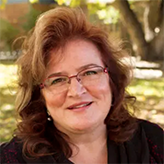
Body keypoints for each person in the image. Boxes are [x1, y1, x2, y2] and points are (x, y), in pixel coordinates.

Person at [0, 6, 164, 164]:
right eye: (57, 80)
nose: (76, 91)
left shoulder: (153, 142)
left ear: (111, 80)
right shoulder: (10, 159)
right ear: (40, 96)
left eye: (90, 72)